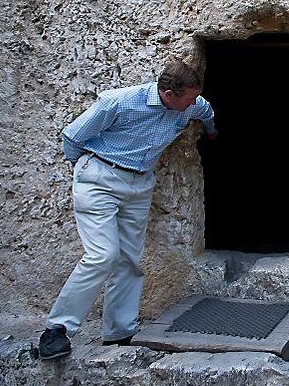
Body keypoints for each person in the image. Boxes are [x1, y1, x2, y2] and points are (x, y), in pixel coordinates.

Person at [38, 60, 217, 360]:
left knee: (130, 260)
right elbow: (72, 138)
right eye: (189, 99)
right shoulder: (119, 102)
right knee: (102, 255)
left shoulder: (190, 106)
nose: (194, 104)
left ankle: (119, 333)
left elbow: (207, 111)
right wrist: (88, 172)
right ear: (169, 94)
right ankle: (57, 330)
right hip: (100, 179)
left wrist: (211, 130)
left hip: (140, 184)